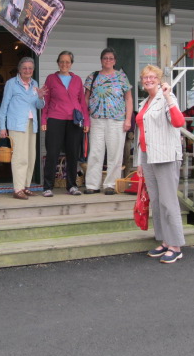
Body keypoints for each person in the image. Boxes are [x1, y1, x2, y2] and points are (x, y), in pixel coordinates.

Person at [135, 65, 186, 264]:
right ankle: (165, 241)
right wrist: (140, 161)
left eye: (152, 77)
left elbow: (178, 122)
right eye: (145, 77)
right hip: (148, 156)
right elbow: (142, 134)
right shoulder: (144, 103)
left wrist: (168, 97)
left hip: (166, 156)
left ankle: (176, 246)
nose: (148, 80)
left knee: (168, 201)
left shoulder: (166, 97)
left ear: (159, 79)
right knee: (156, 201)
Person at [84, 47, 133, 195]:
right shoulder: (93, 77)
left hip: (117, 120)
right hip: (96, 120)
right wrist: (86, 118)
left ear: (115, 61)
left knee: (115, 154)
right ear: (101, 60)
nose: (108, 60)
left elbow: (128, 99)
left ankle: (111, 184)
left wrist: (128, 120)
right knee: (95, 152)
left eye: (111, 58)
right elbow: (86, 98)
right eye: (105, 58)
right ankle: (92, 184)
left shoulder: (121, 77)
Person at [41, 51, 90, 197]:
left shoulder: (77, 80)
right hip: (55, 118)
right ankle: (48, 187)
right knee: (52, 153)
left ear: (71, 64)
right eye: (62, 61)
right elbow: (45, 101)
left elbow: (82, 102)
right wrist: (44, 119)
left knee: (73, 154)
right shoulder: (51, 78)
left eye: (67, 62)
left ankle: (72, 186)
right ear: (58, 63)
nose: (64, 64)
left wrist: (86, 121)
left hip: (74, 120)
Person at [0, 57, 46, 200]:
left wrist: (40, 97)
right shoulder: (11, 83)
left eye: (30, 68)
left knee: (31, 157)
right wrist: (2, 127)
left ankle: (26, 186)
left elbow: (39, 106)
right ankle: (17, 189)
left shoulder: (34, 84)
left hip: (32, 124)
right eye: (24, 68)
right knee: (20, 157)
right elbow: (4, 106)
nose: (27, 70)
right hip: (17, 125)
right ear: (19, 69)